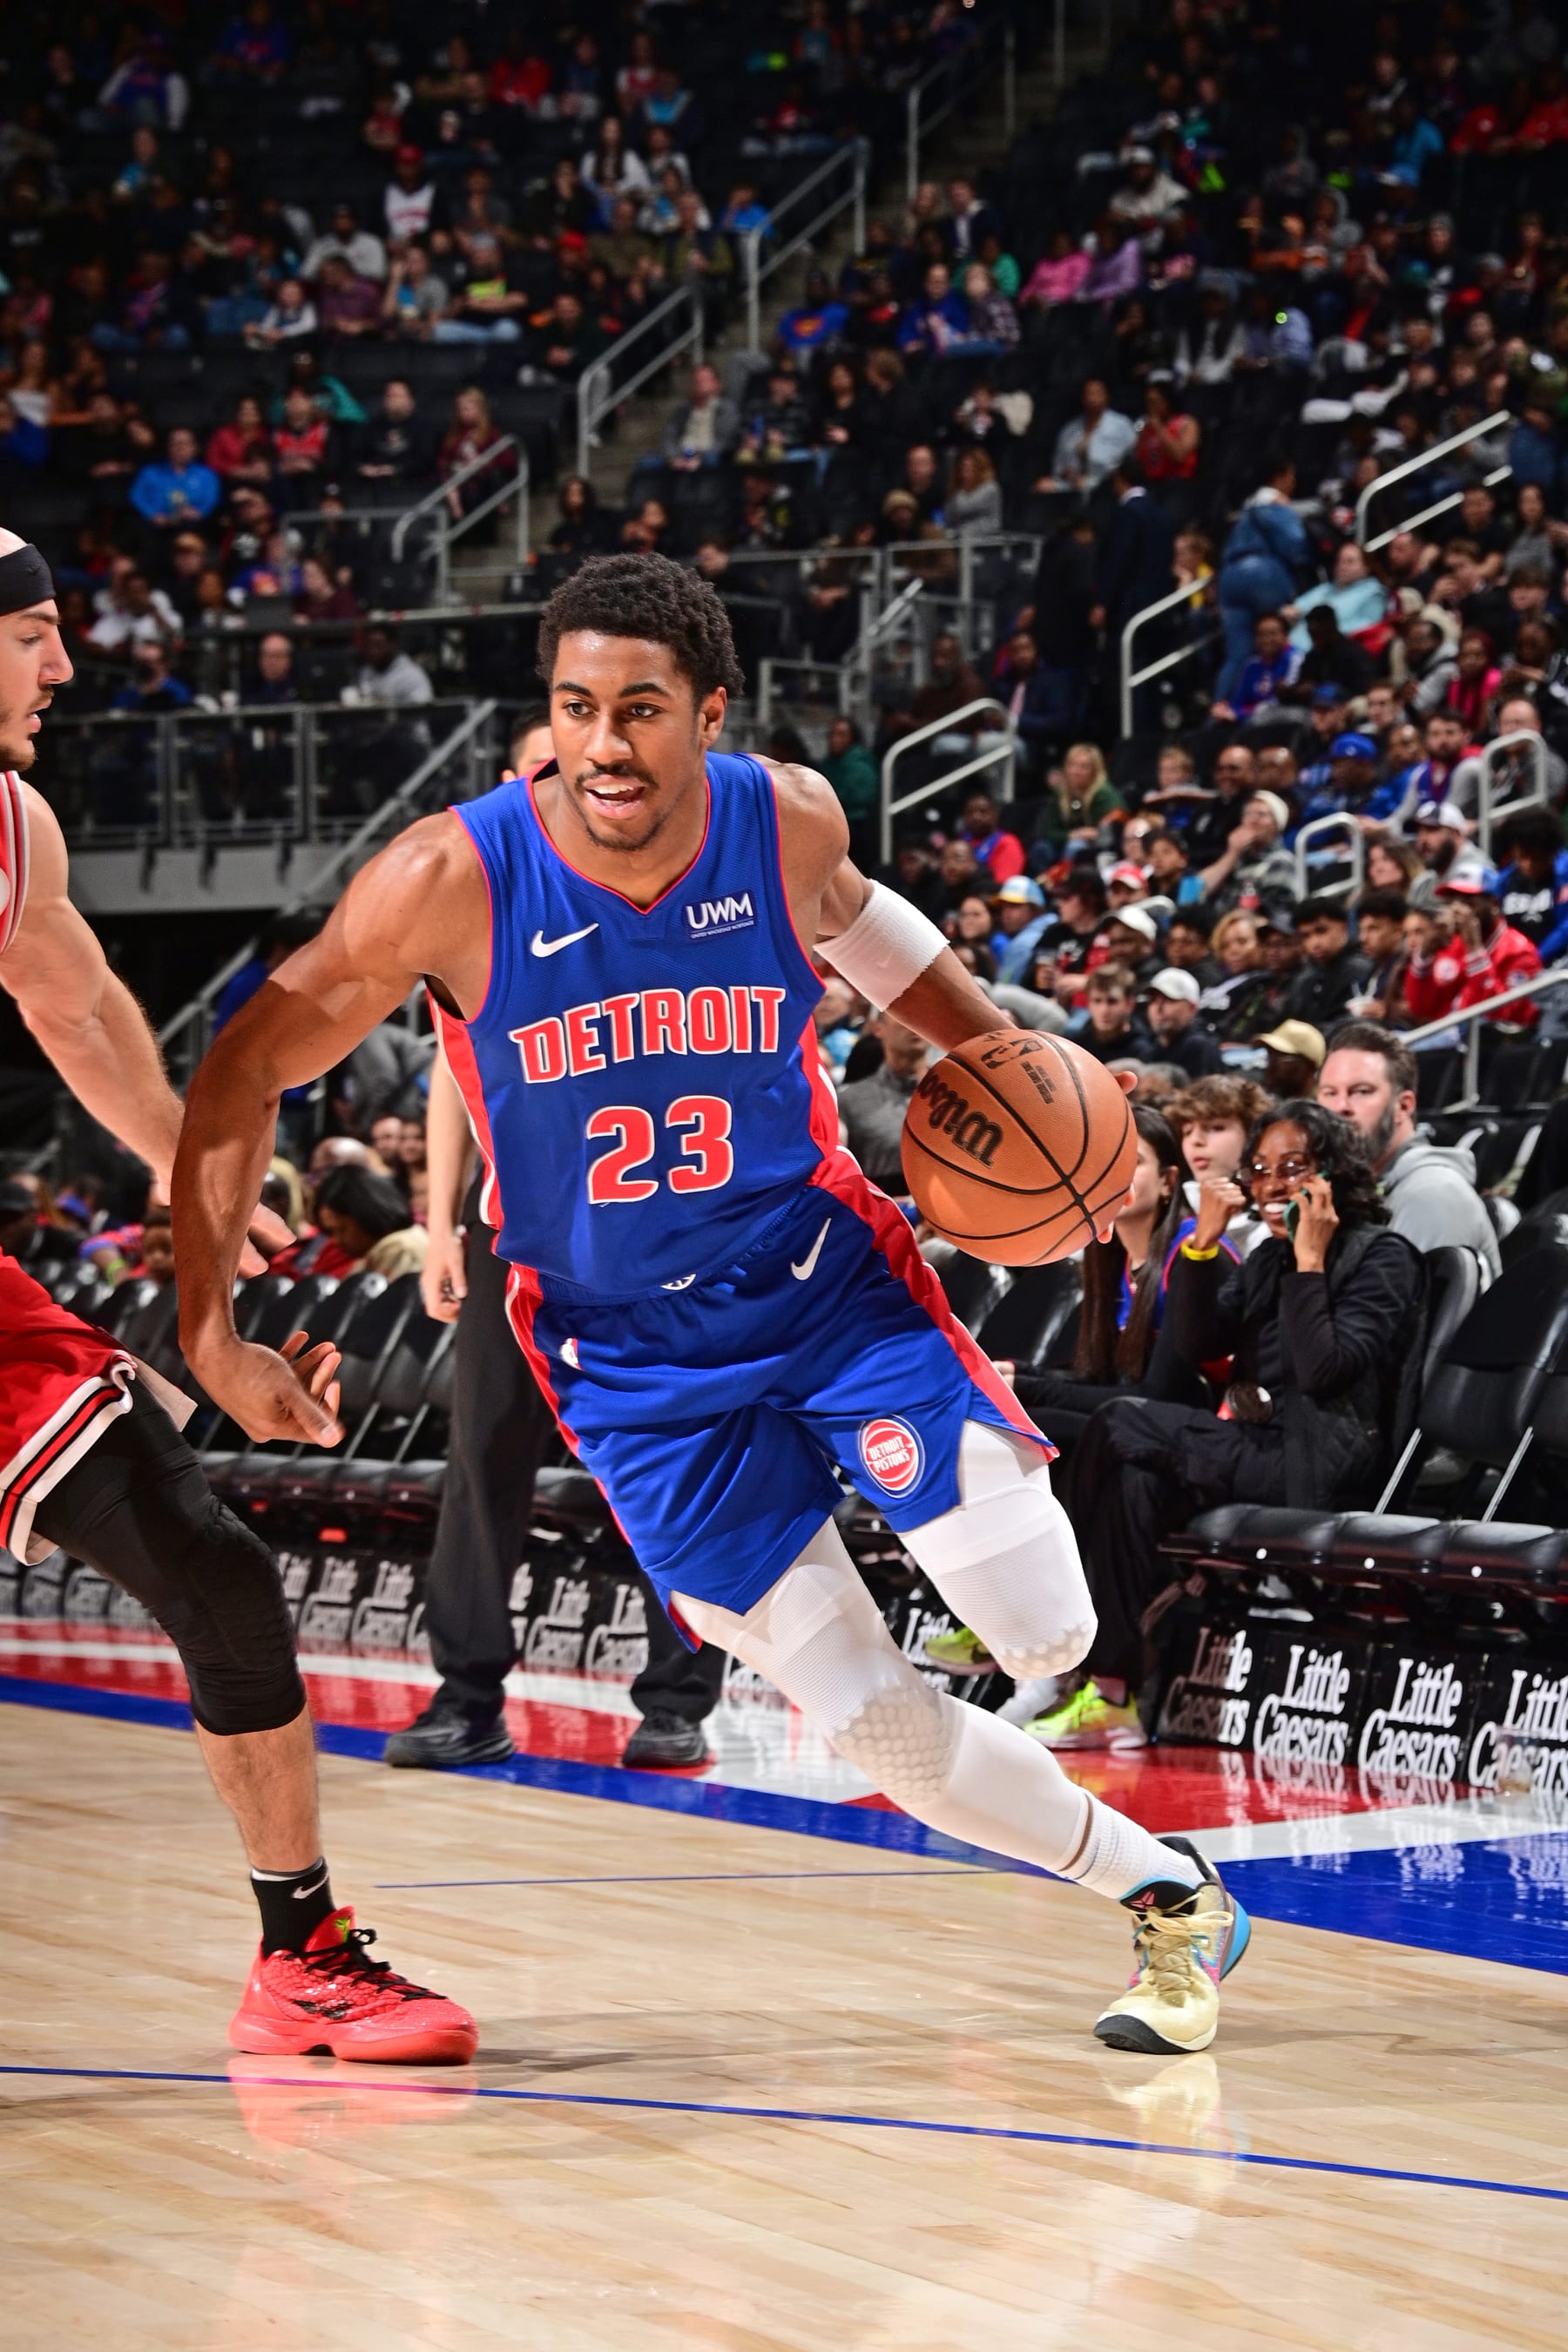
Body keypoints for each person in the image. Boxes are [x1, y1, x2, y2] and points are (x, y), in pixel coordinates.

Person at [174, 552, 1252, 2058]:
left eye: (639, 709)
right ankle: (1171, 1896)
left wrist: (1014, 1075)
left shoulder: (782, 816)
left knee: (1047, 1629)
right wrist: (207, 1324)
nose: (603, 744)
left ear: (709, 713)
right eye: (574, 709)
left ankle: (1117, 1805)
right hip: (628, 1366)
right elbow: (238, 1071)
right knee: (872, 1723)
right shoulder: (448, 878)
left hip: (822, 1289)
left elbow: (886, 951)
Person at [0, 528, 473, 2062]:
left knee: (210, 1564)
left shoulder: (14, 828)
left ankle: (301, 1949)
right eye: (34, 634)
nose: (64, 666)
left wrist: (206, 1187)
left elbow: (73, 1009)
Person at [387, 713, 727, 1773]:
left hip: (661, 1219)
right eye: (544, 759)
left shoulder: (672, 888)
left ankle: (679, 1700)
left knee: (675, 1454)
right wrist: (438, 1222)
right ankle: (467, 1694)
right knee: (483, 1449)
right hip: (520, 1227)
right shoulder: (479, 902)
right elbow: (453, 1068)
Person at [1044, 1104, 1425, 1748]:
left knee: (1116, 1423)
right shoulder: (1268, 1259)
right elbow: (1196, 1342)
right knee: (1131, 1478)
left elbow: (1325, 1370)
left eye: (1293, 1168)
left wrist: (1310, 1264)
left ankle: (1073, 1655)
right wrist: (1198, 1246)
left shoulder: (1382, 1257)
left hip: (1320, 1461)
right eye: (1260, 1170)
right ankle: (1113, 1696)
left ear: (1334, 1174)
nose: (1273, 1185)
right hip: (1257, 1446)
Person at [1317, 1024, 1500, 1278]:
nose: (1341, 1107)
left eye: (1361, 1091)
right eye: (1329, 1093)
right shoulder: (1353, 1186)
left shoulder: (1431, 1196)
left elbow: (1396, 1316)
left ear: (1403, 1107)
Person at [1284, 896, 1374, 1032]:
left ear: (1344, 927)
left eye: (1321, 931)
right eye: (1306, 936)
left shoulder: (1358, 970)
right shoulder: (1305, 977)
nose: (1314, 943)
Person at [1144, 968, 1224, 1077]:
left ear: (1192, 1008)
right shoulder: (1151, 1044)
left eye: (1168, 1000)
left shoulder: (1200, 1046)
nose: (1158, 1008)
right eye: (1153, 1000)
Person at [1255, 1019, 1326, 1100]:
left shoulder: (1322, 1110)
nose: (1270, 1066)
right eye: (1270, 1055)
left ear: (1310, 1066)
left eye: (1280, 1058)